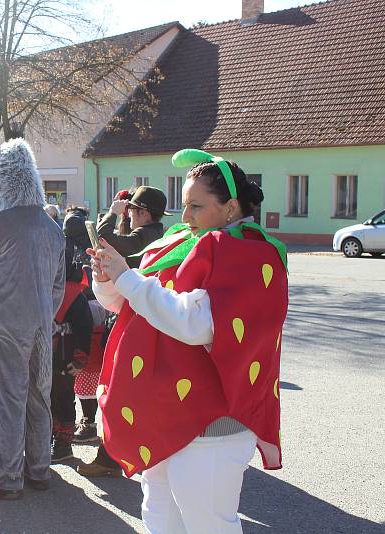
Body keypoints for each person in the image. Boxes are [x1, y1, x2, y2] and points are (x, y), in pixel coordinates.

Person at [89, 149, 288, 533]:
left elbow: (196, 324)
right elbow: (127, 303)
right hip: (163, 414)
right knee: (160, 518)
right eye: (184, 205)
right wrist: (107, 276)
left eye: (195, 206)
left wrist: (127, 279)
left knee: (208, 525)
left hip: (211, 425)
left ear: (230, 208)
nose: (184, 218)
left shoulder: (252, 252)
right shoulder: (181, 242)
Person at [0, 138, 65, 500]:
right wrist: (45, 315)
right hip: (41, 324)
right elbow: (57, 286)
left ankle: (8, 479)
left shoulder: (1, 224)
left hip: (7, 324)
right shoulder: (52, 227)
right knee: (39, 396)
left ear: (0, 182)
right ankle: (40, 470)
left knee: (11, 399)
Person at [78, 186, 169, 476]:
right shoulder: (154, 233)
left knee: (117, 390)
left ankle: (109, 458)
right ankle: (120, 454)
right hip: (138, 316)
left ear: (141, 213)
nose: (128, 214)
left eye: (131, 210)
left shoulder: (146, 236)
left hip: (134, 320)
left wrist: (109, 215)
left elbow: (105, 241)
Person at [49, 230, 93, 463]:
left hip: (65, 359)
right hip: (43, 356)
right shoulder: (43, 287)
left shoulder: (75, 294)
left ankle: (63, 444)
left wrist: (79, 360)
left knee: (63, 399)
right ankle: (47, 438)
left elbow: (84, 329)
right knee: (44, 398)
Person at [97, 186, 169, 269]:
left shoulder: (143, 236)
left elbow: (103, 238)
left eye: (131, 208)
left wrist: (112, 213)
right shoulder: (155, 233)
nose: (128, 212)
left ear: (143, 213)